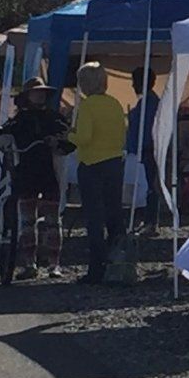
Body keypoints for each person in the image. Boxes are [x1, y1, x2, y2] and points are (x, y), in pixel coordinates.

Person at [0, 80, 71, 277]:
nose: (39, 96)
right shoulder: (19, 119)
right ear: (27, 96)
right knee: (27, 221)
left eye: (42, 93)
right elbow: (4, 131)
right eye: (35, 93)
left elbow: (66, 137)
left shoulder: (54, 118)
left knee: (52, 220)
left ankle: (54, 264)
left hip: (49, 173)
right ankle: (29, 264)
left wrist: (57, 141)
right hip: (27, 173)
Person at [69, 62, 127, 284]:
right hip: (114, 162)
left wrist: (68, 136)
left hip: (92, 163)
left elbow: (84, 137)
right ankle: (120, 262)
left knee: (94, 218)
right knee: (115, 214)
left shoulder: (88, 106)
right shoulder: (114, 104)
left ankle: (96, 268)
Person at [126, 66, 162, 231]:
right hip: (142, 150)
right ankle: (146, 219)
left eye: (135, 82)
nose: (133, 86)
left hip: (148, 150)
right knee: (144, 185)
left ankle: (151, 221)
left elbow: (147, 129)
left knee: (149, 186)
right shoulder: (147, 102)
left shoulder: (151, 103)